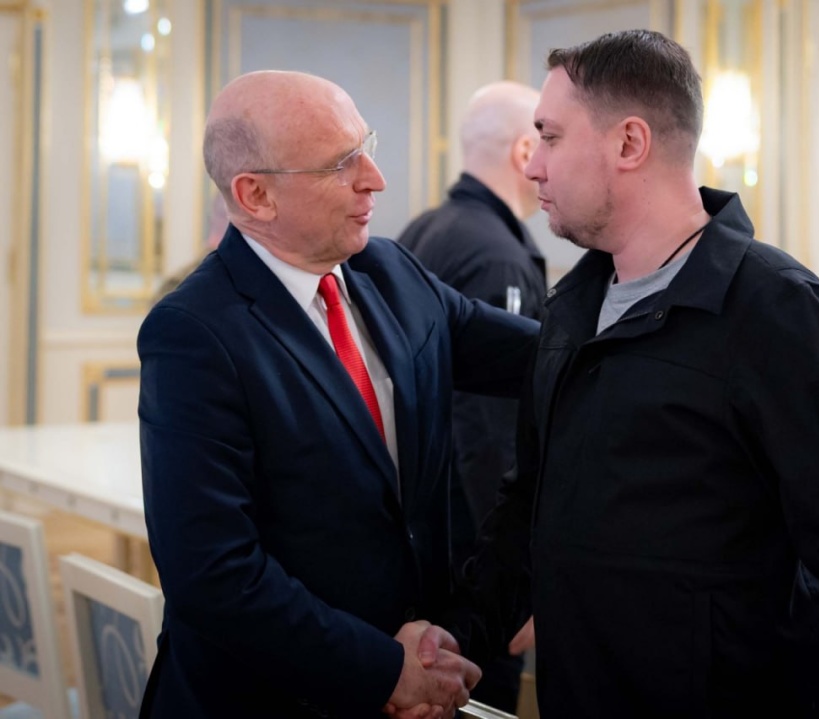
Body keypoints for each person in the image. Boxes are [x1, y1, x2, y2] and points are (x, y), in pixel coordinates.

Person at [453, 29, 819, 718]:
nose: (535, 167)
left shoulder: (778, 311)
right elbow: (528, 508)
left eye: (550, 137)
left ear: (629, 143)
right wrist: (458, 640)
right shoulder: (572, 308)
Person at [137, 70, 539, 719]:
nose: (374, 179)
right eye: (339, 164)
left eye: (366, 147)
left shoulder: (390, 271)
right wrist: (384, 670)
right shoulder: (194, 331)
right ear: (256, 195)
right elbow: (213, 573)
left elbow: (536, 356)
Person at [397, 80, 545, 712]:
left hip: (421, 540)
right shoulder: (498, 260)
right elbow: (489, 434)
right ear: (523, 152)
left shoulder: (424, 230)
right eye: (549, 139)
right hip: (469, 561)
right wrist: (510, 584)